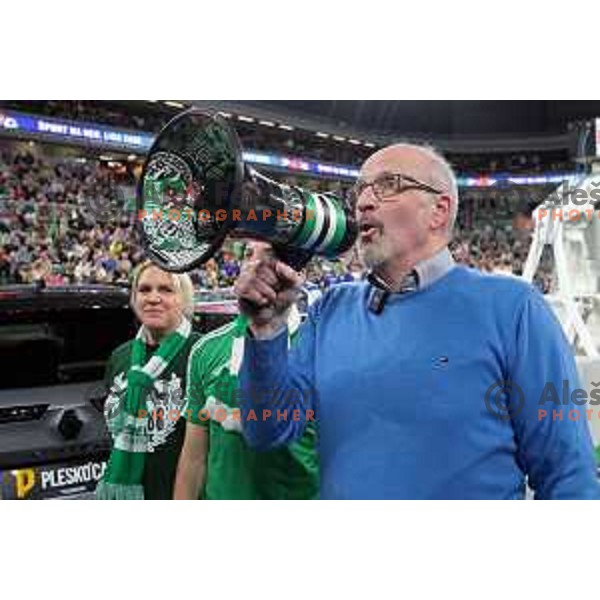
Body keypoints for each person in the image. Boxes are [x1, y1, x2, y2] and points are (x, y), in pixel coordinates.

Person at [234, 143, 600, 500]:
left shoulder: (515, 308)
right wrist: (267, 330)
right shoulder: (330, 309)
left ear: (439, 211)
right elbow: (267, 429)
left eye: (388, 185)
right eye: (360, 189)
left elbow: (567, 471)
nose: (363, 201)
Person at [173, 241, 318, 500]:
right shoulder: (205, 350)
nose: (255, 264)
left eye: (271, 256)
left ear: (300, 275)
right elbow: (194, 458)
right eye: (249, 254)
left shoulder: (319, 349)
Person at [96, 261, 200, 499]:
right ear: (133, 299)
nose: (153, 298)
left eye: (166, 289)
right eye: (144, 290)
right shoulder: (120, 356)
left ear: (183, 299)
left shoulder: (201, 351)